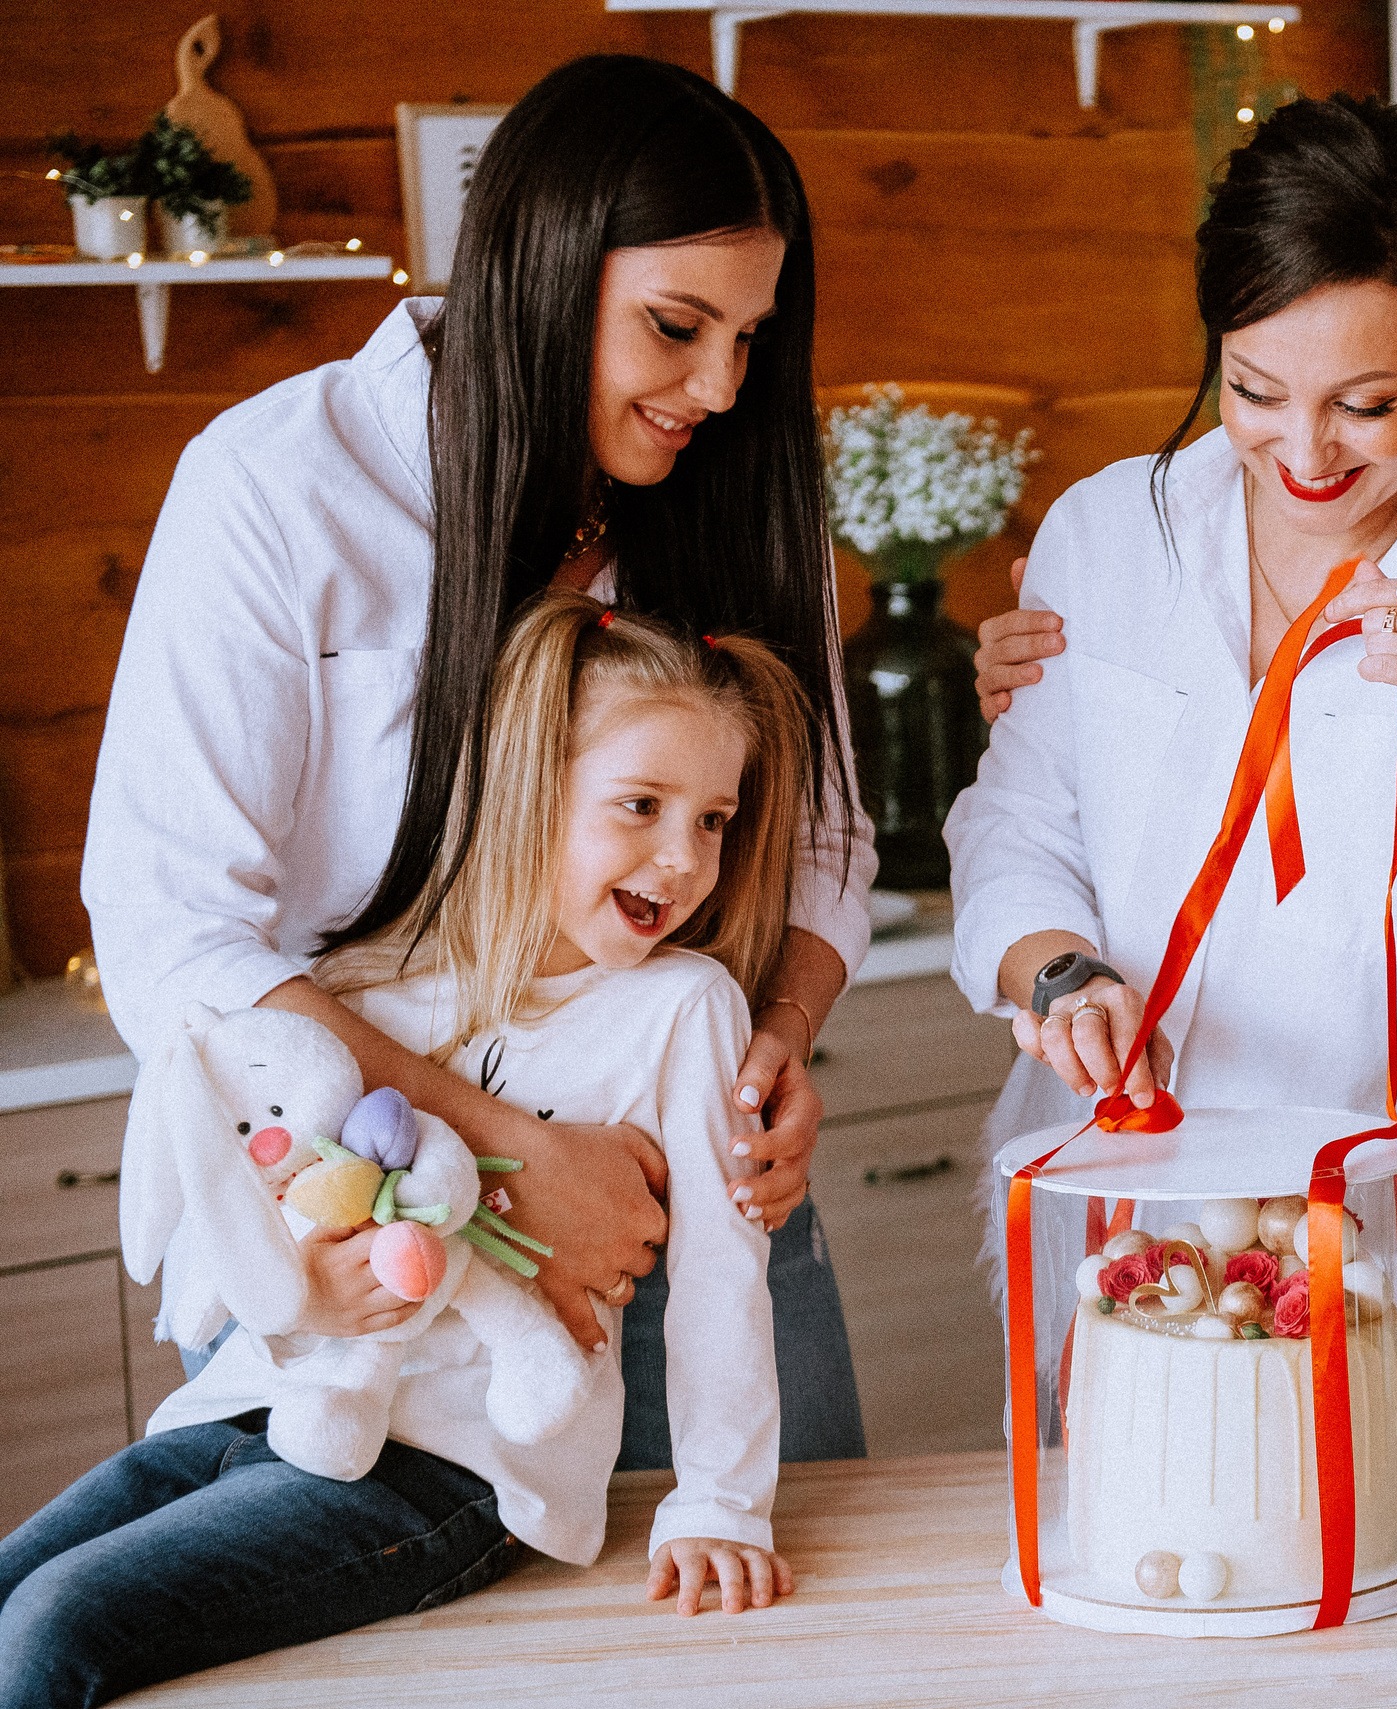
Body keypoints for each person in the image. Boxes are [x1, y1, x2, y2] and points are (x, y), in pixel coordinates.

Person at [80, 55, 871, 1464]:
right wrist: (512, 1159)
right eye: (676, 326)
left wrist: (779, 1041)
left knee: (791, 1587)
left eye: (750, 337)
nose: (719, 386)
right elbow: (171, 930)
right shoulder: (279, 485)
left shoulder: (741, 498)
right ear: (544, 271)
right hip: (377, 1223)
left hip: (691, 1205)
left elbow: (823, 839)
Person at [944, 96, 1397, 1419]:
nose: (1305, 453)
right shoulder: (1108, 534)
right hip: (1112, 1196)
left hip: (1367, 1237)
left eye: (1366, 405)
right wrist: (1062, 972)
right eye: (1257, 391)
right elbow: (1017, 823)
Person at [4, 595, 804, 1706]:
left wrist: (720, 1501)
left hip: (450, 1473)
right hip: (243, 1412)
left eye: (713, 819)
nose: (683, 858)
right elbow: (249, 1219)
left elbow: (721, 1276)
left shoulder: (683, 1007)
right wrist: (304, 1289)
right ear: (529, 787)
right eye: (641, 805)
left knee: (54, 1625)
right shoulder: (357, 981)